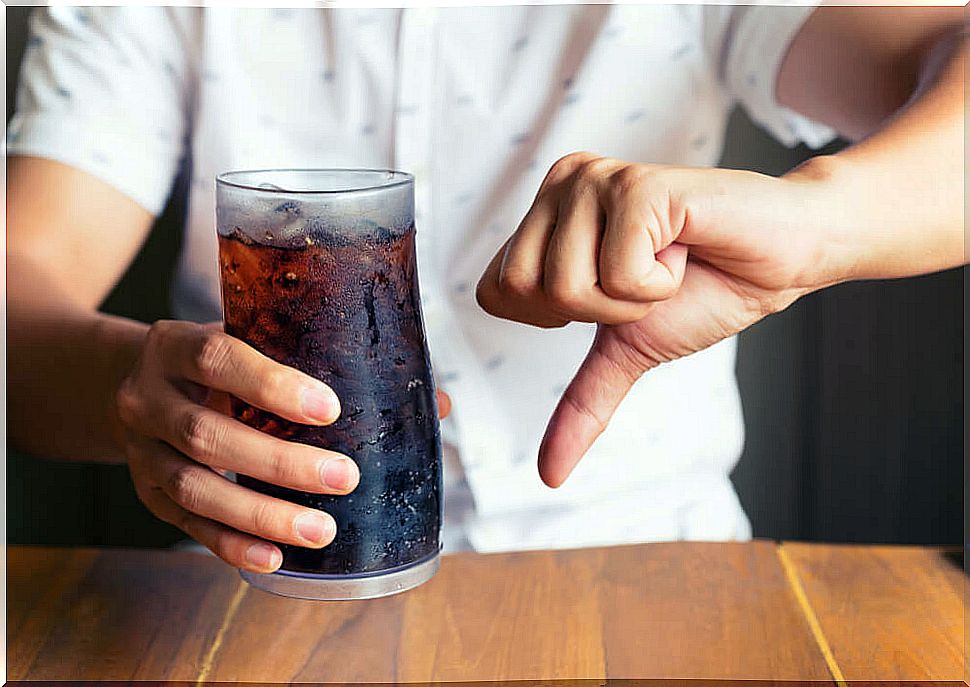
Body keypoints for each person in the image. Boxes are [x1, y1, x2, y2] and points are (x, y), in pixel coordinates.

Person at [7, 5, 964, 573]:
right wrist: (132, 389)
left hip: (652, 571)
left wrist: (811, 226)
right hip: (263, 583)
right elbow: (20, 282)